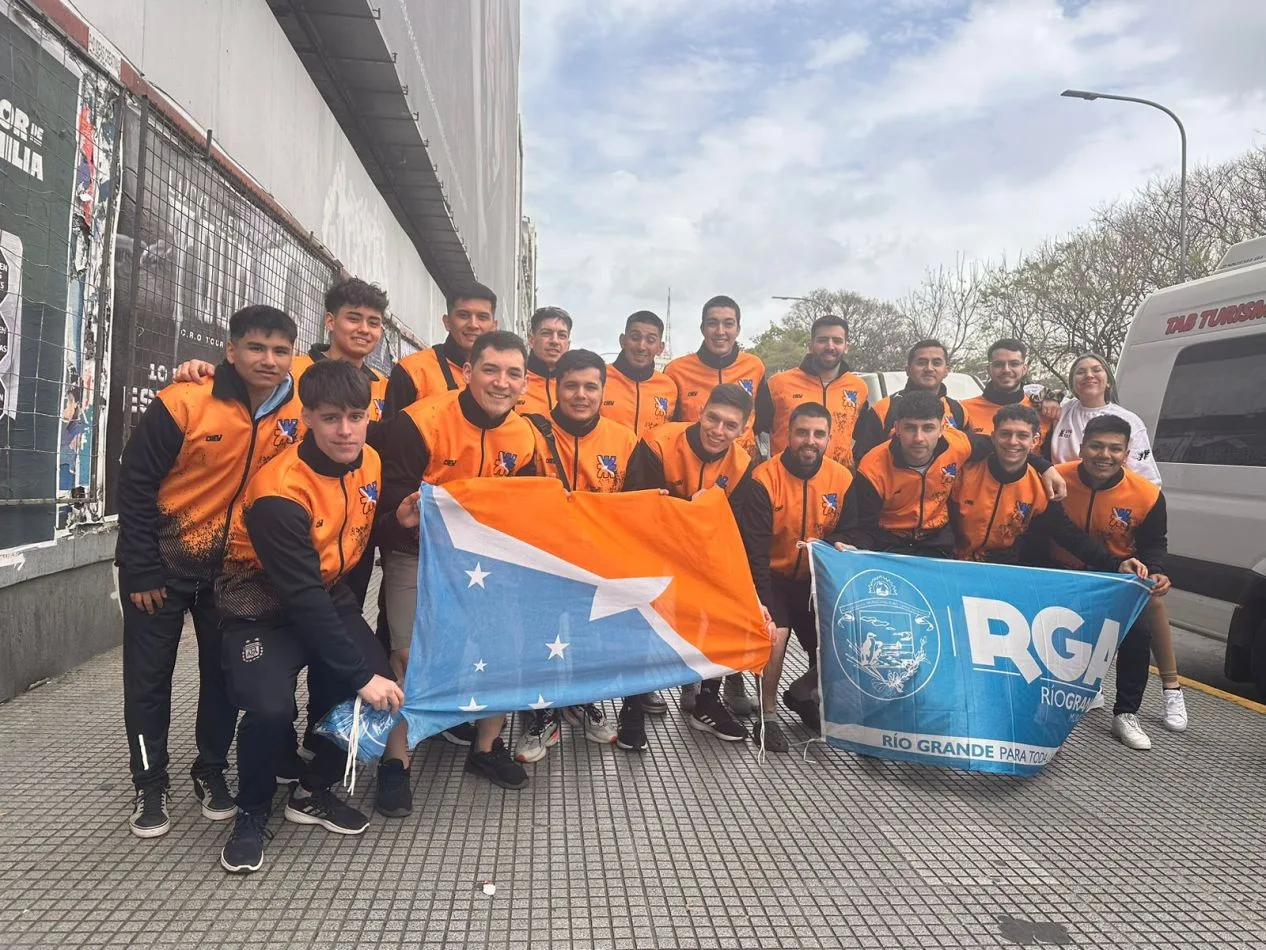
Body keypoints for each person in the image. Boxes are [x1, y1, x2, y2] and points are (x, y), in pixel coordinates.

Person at [116, 304, 302, 839]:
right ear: (231, 350)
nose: (268, 360)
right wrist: (141, 568)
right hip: (160, 569)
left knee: (224, 679)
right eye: (256, 348)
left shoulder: (296, 408)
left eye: (280, 350)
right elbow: (133, 484)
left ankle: (210, 770)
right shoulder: (184, 401)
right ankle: (150, 783)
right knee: (148, 680)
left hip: (230, 574)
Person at [216, 359, 404, 874]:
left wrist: (395, 519)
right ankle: (252, 811)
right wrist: (358, 672)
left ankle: (311, 791)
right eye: (330, 418)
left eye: (355, 416)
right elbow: (297, 595)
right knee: (270, 708)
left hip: (325, 591)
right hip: (260, 606)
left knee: (378, 690)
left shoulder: (370, 460)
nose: (345, 430)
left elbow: (356, 535)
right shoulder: (278, 492)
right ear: (307, 418)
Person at [377, 330, 539, 798]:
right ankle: (396, 759)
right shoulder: (419, 422)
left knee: (505, 649)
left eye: (513, 374)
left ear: (525, 383)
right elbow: (389, 505)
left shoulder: (527, 434)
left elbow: (528, 508)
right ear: (468, 372)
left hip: (488, 560)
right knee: (409, 653)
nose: (501, 382)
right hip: (417, 554)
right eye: (490, 370)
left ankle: (487, 747)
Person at [1047, 352, 1184, 728]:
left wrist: (1154, 568)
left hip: (1116, 544)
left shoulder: (1142, 480)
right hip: (1069, 544)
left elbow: (1155, 536)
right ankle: (1084, 689)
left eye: (1096, 370)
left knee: (1142, 615)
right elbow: (1058, 526)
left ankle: (1146, 703)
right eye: (1080, 371)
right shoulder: (1061, 423)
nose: (1088, 376)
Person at [516, 348, 637, 761]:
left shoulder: (624, 439)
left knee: (591, 637)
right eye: (571, 386)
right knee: (541, 638)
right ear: (555, 387)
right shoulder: (527, 431)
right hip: (540, 559)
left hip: (597, 560)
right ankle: (539, 712)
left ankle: (583, 700)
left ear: (603, 390)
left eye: (590, 386)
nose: (580, 395)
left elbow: (636, 504)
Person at [625, 383, 757, 741]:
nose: (718, 430)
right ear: (700, 412)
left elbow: (735, 526)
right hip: (654, 550)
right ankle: (631, 707)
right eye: (713, 418)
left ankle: (707, 702)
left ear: (744, 429)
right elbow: (636, 506)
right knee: (643, 618)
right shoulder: (658, 442)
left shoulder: (745, 463)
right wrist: (685, 509)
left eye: (731, 425)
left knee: (729, 605)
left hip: (705, 554)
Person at [738, 402, 856, 749]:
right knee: (776, 635)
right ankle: (768, 714)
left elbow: (859, 531)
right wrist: (762, 600)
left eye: (819, 434)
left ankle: (803, 693)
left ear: (830, 439)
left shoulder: (843, 478)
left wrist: (838, 544)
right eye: (802, 432)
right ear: (788, 435)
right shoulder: (764, 478)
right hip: (772, 576)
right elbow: (755, 548)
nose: (810, 440)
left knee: (850, 639)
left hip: (818, 581)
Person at [833, 391, 1065, 557]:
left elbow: (1005, 446)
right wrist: (855, 546)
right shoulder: (872, 467)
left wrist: (1044, 466)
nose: (919, 438)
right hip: (889, 542)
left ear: (943, 428)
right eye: (910, 428)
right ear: (897, 428)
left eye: (928, 428)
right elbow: (865, 527)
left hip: (939, 541)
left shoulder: (960, 444)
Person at [950, 404, 1148, 575]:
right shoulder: (964, 472)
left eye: (1022, 435)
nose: (1012, 442)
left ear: (1035, 440)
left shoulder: (1041, 486)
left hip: (1001, 570)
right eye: (1005, 434)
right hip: (950, 565)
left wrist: (1116, 565)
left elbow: (1067, 533)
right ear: (993, 437)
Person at [755, 314, 871, 469]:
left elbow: (863, 436)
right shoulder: (778, 384)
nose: (830, 346)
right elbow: (753, 429)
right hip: (785, 481)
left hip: (838, 484)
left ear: (846, 347)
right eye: (822, 340)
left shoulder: (858, 387)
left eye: (837, 341)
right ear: (810, 345)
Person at [664, 295, 765, 460]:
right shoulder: (676, 370)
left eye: (728, 324)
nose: (720, 331)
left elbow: (762, 422)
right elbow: (668, 427)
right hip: (692, 464)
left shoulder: (754, 366)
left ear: (738, 329)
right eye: (712, 323)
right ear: (702, 328)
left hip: (744, 466)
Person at [383, 282, 498, 420]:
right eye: (463, 315)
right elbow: (389, 437)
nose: (473, 324)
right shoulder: (412, 370)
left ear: (494, 326)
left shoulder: (505, 377)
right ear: (447, 322)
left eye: (482, 317)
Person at [853, 339, 967, 459]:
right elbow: (863, 459)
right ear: (908, 370)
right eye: (921, 363)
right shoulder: (884, 409)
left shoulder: (958, 410)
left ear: (946, 371)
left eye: (937, 363)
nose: (929, 368)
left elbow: (966, 457)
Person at [960, 338, 1052, 446]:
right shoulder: (964, 410)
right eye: (999, 364)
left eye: (1014, 364)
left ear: (1024, 369)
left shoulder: (1043, 410)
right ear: (989, 369)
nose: (1006, 370)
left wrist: (1054, 397)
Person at [601, 310, 679, 437]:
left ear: (660, 347)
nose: (641, 346)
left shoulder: (669, 387)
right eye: (635, 338)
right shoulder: (600, 378)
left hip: (651, 457)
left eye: (650, 340)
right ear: (622, 340)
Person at [516, 306, 572, 415]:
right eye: (546, 333)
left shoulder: (575, 386)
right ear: (531, 340)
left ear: (568, 345)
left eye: (562, 335)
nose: (554, 341)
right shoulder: (514, 380)